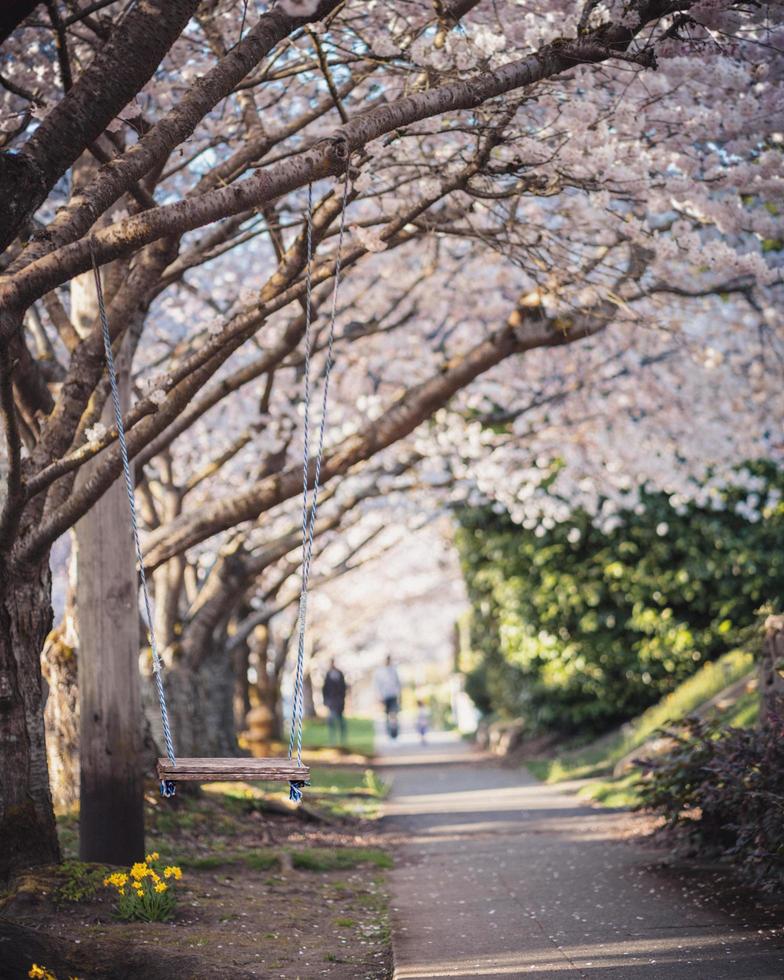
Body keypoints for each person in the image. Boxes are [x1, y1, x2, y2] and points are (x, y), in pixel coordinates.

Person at [374, 655, 401, 739]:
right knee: (387, 715)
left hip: (393, 695)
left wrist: (398, 694)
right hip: (384, 696)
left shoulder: (394, 670)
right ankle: (388, 732)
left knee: (393, 714)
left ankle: (395, 732)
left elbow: (398, 683)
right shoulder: (380, 672)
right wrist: (379, 696)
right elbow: (377, 685)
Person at [322, 659, 347, 744]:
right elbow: (325, 688)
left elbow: (344, 688)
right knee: (331, 719)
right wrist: (325, 700)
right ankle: (332, 739)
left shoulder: (340, 674)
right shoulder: (328, 675)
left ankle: (342, 738)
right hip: (331, 701)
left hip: (339, 701)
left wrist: (342, 698)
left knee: (340, 719)